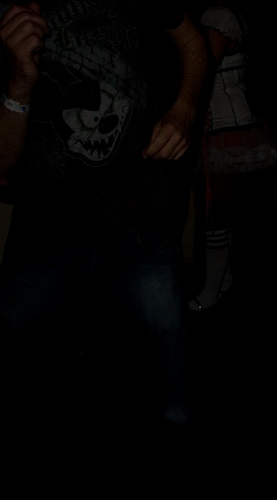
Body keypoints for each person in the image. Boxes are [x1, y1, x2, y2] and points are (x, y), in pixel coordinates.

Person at [0, 0, 206, 445]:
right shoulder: (10, 7)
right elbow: (1, 172)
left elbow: (193, 41)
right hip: (42, 245)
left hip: (143, 237)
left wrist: (185, 109)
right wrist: (18, 84)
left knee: (173, 407)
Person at [189, 1, 277, 312]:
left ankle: (212, 291)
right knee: (218, 210)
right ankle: (222, 280)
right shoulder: (222, 14)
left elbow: (203, 71)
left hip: (223, 126)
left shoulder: (219, 16)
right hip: (224, 124)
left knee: (214, 211)